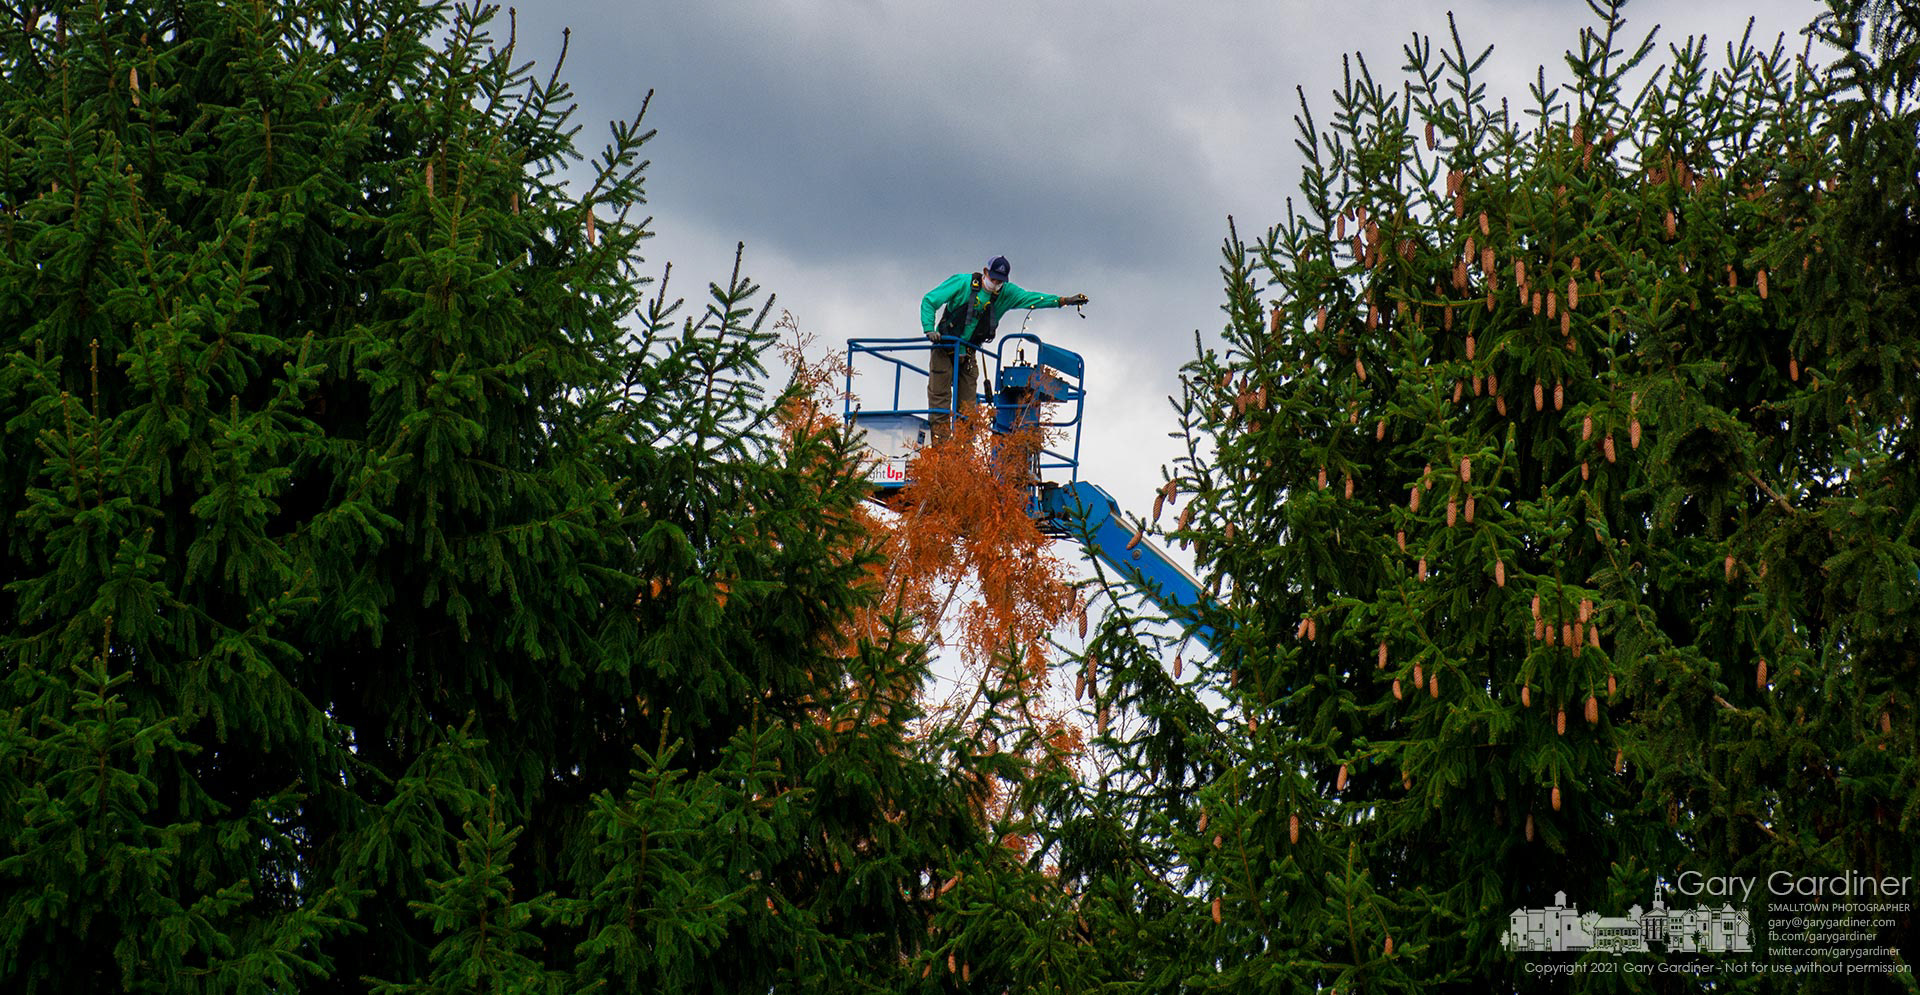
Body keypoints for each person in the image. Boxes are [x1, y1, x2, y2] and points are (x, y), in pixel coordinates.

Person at [921, 255, 1087, 440]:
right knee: (940, 399)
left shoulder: (1006, 294)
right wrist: (929, 329)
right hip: (944, 347)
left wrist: (1062, 301)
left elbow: (1031, 298)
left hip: (968, 352)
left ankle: (962, 455)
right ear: (985, 272)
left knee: (968, 408)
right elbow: (930, 300)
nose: (996, 283)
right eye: (993, 279)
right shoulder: (962, 283)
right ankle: (942, 448)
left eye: (1000, 281)